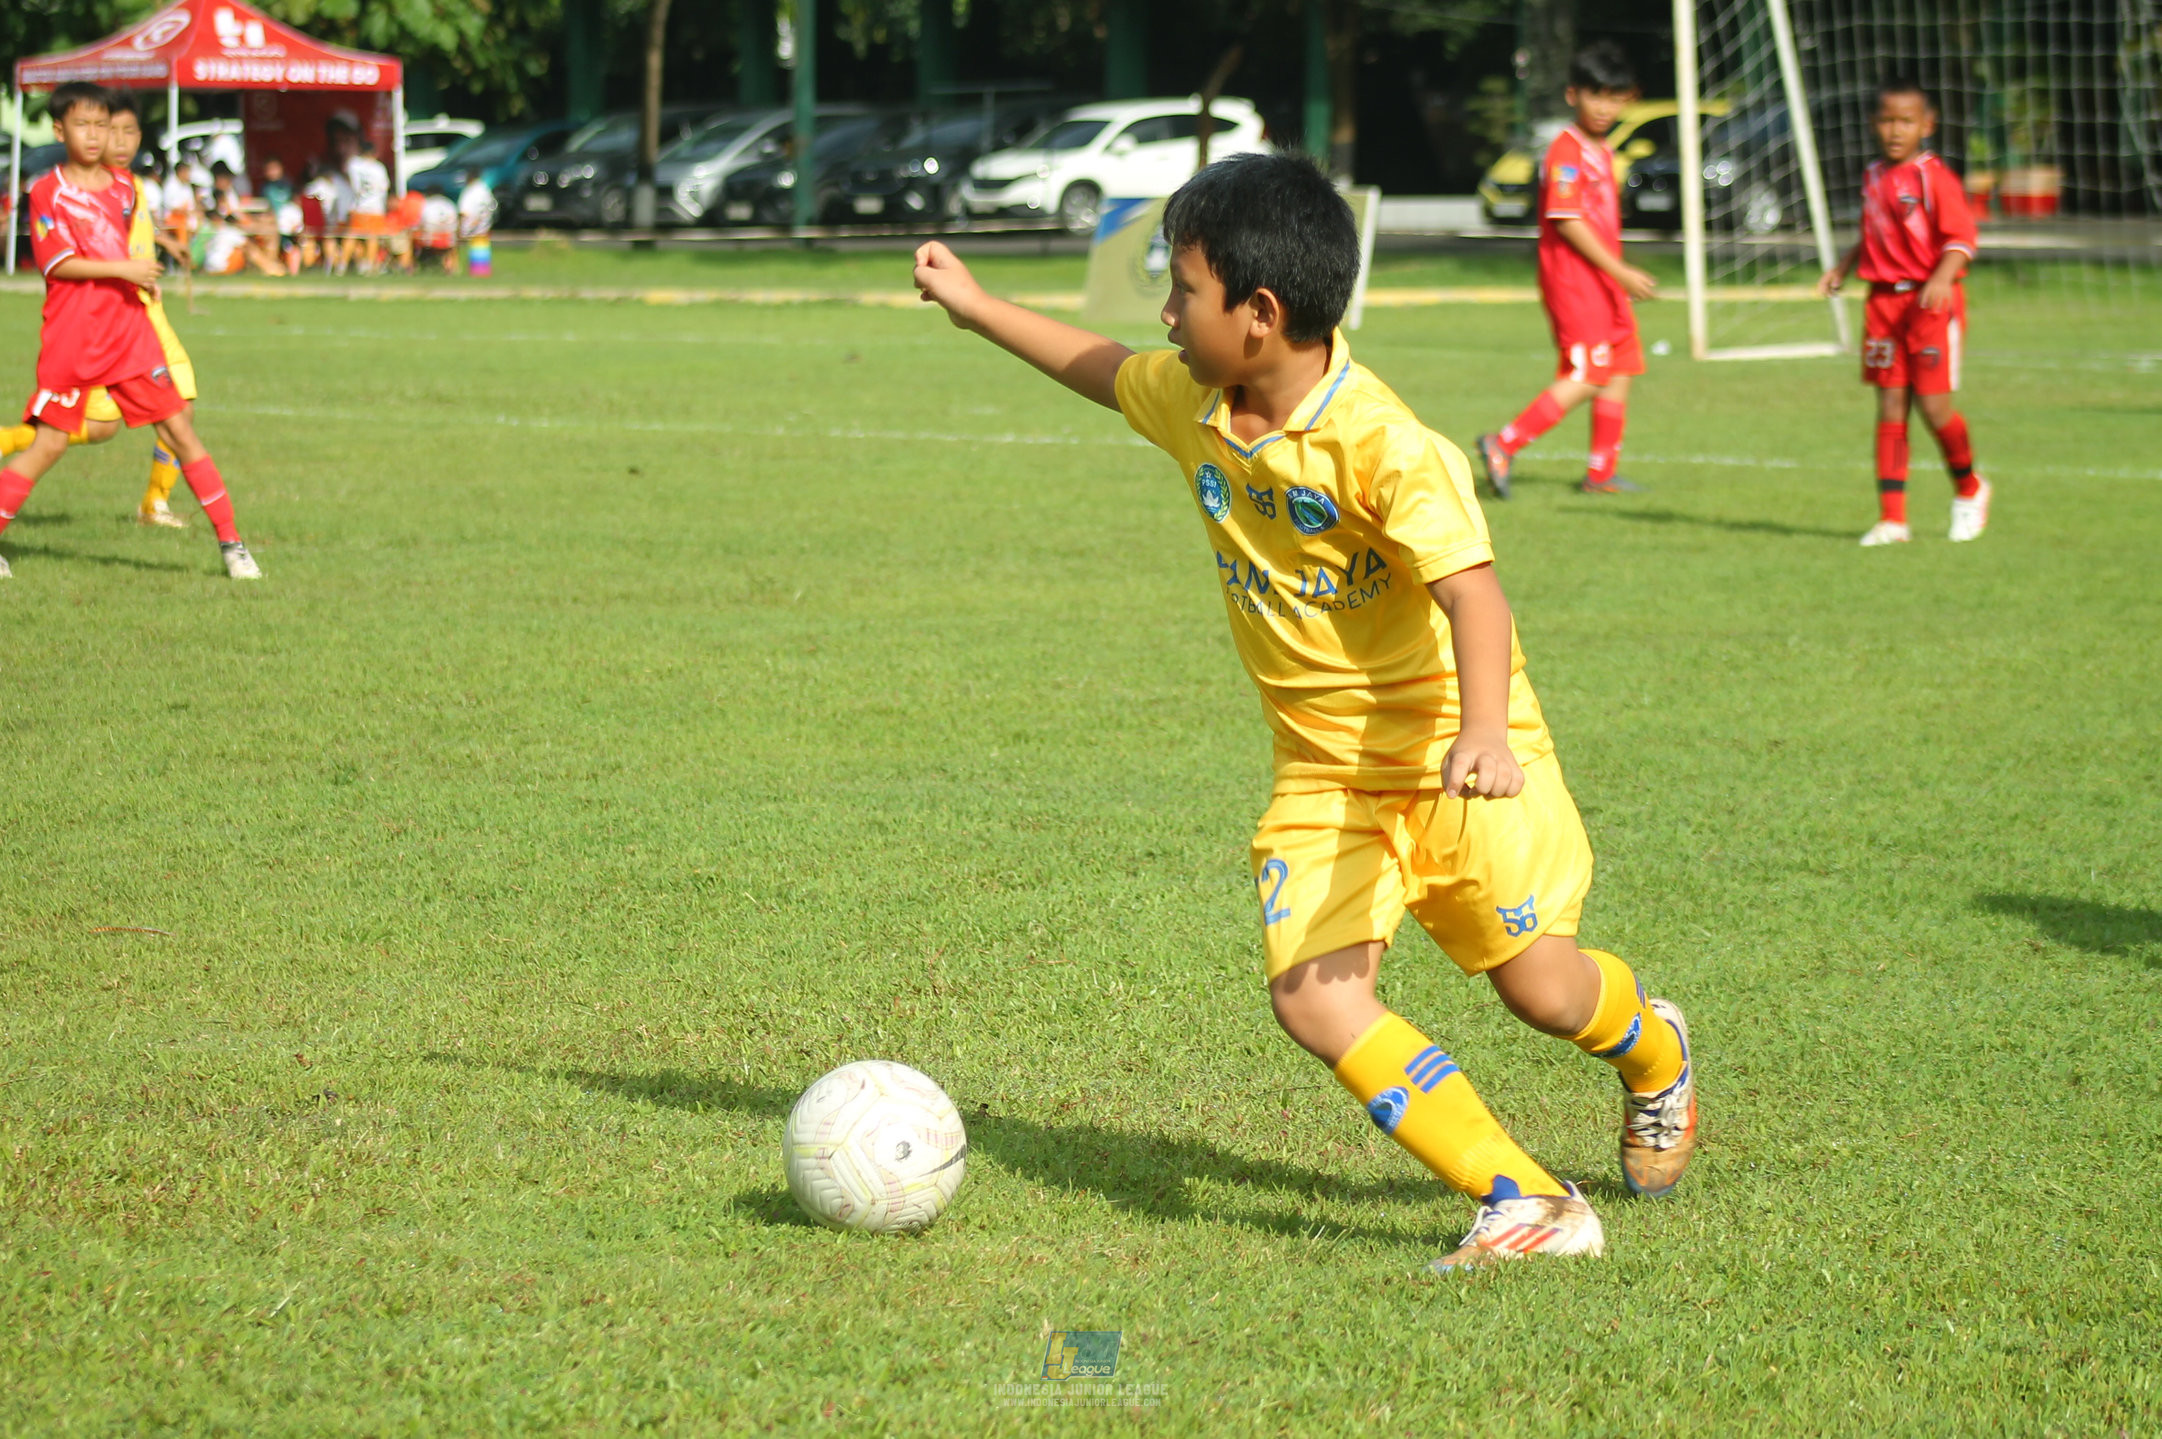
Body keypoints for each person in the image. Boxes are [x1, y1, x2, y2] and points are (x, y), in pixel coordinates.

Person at [911, 152, 1697, 1272]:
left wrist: (1481, 732)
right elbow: (1103, 368)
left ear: (1261, 312)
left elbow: (1474, 594)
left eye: (1183, 290)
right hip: (1323, 771)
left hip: (1458, 755)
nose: (1166, 314)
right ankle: (1523, 1195)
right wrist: (978, 306)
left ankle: (1654, 1050)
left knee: (1543, 989)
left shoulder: (1385, 445)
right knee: (1314, 999)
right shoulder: (1197, 404)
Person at [0, 83, 261, 581]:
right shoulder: (48, 190)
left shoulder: (124, 186)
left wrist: (139, 280)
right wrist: (126, 269)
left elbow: (119, 245)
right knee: (50, 445)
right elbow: (57, 263)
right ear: (59, 130)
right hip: (74, 339)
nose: (95, 135)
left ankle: (233, 546)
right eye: (82, 124)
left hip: (129, 333)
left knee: (180, 429)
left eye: (103, 125)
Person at [1476, 42, 1657, 499]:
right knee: (1588, 373)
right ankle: (1503, 444)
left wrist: (1616, 273)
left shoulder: (1602, 149)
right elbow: (1567, 219)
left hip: (1603, 280)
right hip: (1575, 281)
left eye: (1614, 97)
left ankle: (1601, 472)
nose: (1605, 107)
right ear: (1573, 94)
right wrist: (1621, 271)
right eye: (1596, 96)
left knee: (1621, 364)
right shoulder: (1566, 151)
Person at [1817, 79, 1991, 546]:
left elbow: (1962, 239)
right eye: (1887, 120)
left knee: (1934, 408)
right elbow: (1876, 231)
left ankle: (1969, 489)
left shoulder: (1935, 178)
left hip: (1929, 304)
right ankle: (1893, 519)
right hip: (1882, 304)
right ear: (1873, 123)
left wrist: (1941, 278)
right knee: (1890, 405)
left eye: (1906, 121)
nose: (1896, 130)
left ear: (1927, 125)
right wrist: (1844, 266)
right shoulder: (1874, 174)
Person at [345, 138, 391, 273]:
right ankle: (369, 266)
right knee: (373, 237)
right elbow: (384, 187)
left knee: (352, 236)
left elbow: (353, 184)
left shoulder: (354, 164)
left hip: (358, 206)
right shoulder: (379, 168)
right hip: (375, 208)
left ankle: (342, 265)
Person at [457, 167, 497, 277]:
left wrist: (460, 228)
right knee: (481, 248)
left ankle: (475, 272)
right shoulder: (485, 190)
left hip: (471, 226)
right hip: (484, 226)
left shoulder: (470, 192)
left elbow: (464, 212)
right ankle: (481, 271)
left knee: (476, 249)